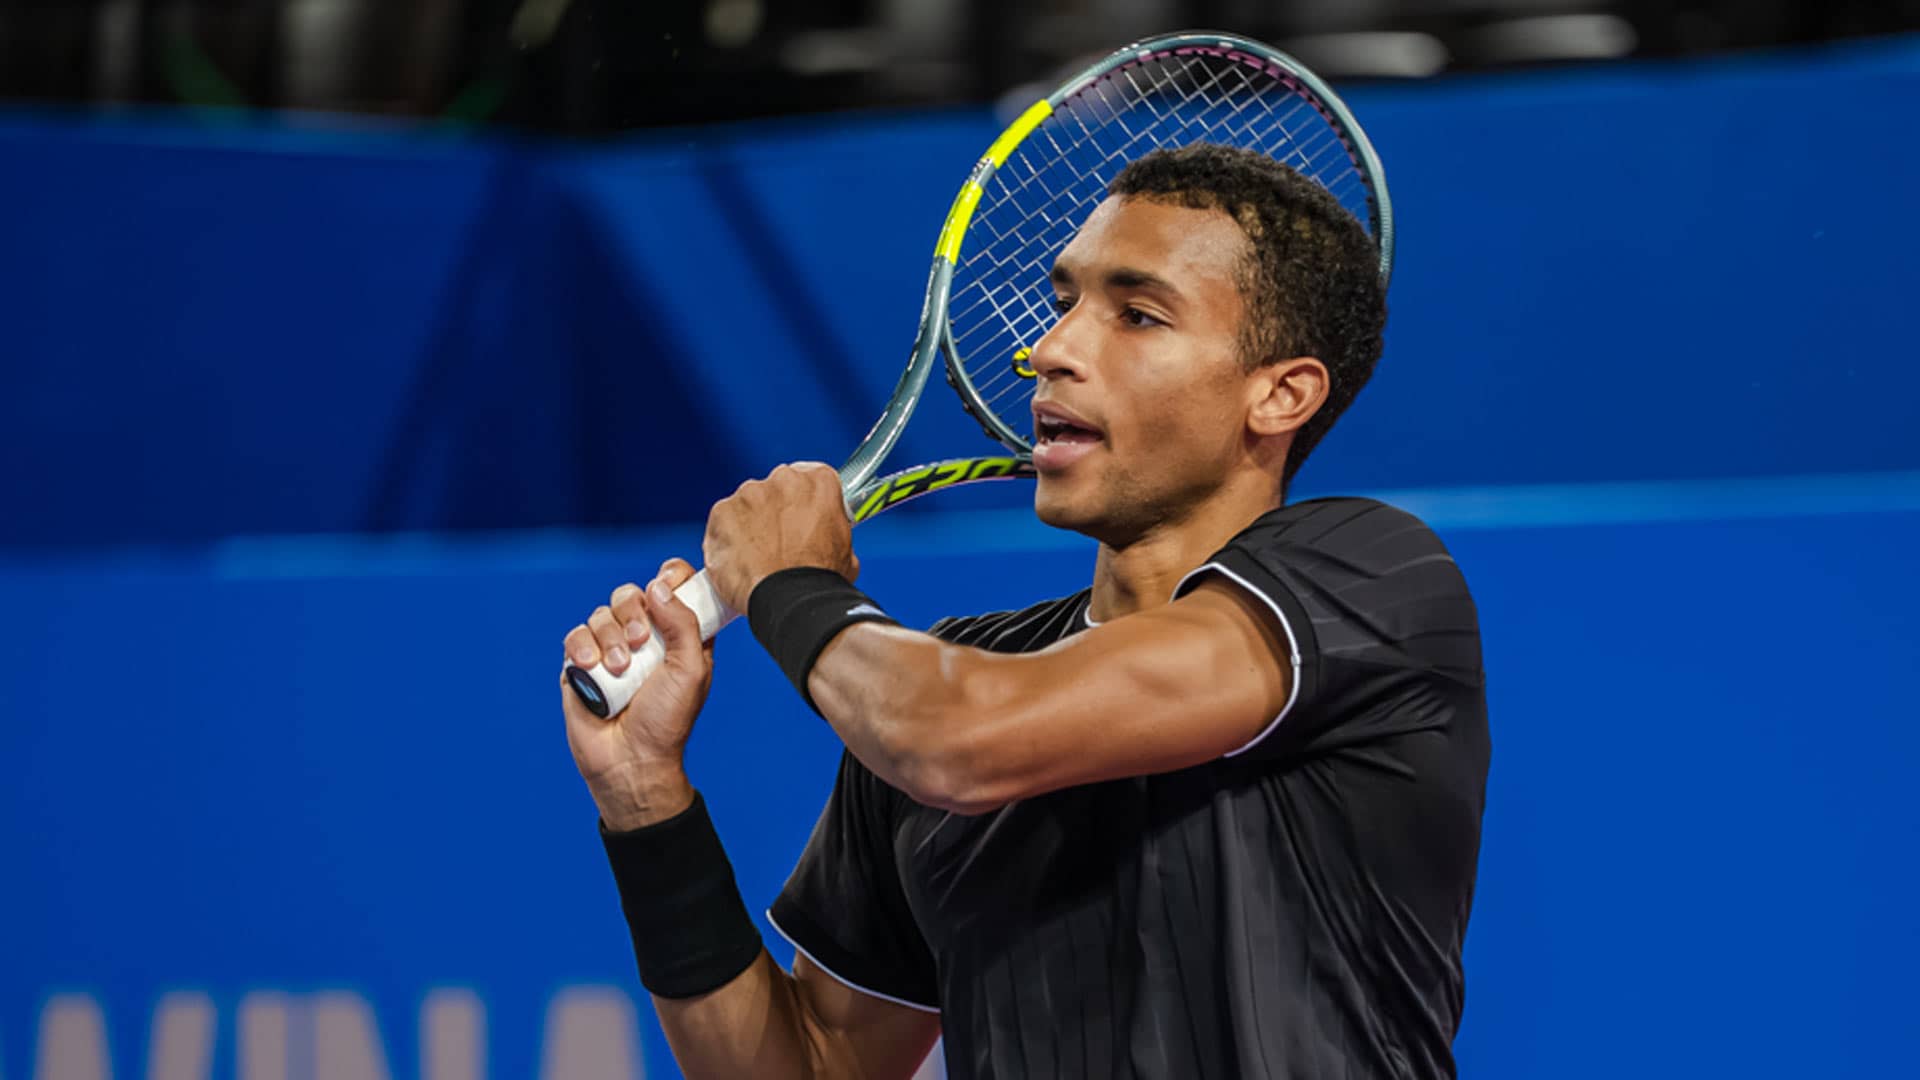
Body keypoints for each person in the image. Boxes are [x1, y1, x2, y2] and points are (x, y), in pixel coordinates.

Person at [559, 143, 1488, 1079]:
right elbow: (813, 1066)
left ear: (1280, 395)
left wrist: (789, 588)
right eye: (1062, 304)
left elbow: (956, 737)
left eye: (1136, 315)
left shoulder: (1373, 580)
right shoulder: (939, 676)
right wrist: (645, 800)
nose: (1051, 351)